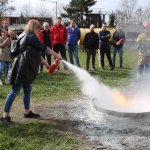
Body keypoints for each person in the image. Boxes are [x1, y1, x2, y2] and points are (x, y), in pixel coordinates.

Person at [0, 19, 62, 124]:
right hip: (22, 67)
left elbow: (35, 53)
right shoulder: (30, 36)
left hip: (23, 66)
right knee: (15, 90)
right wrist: (56, 54)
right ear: (35, 28)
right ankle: (4, 116)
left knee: (27, 88)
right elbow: (44, 48)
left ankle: (27, 112)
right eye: (39, 29)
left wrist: (46, 64)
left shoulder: (24, 35)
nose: (40, 31)